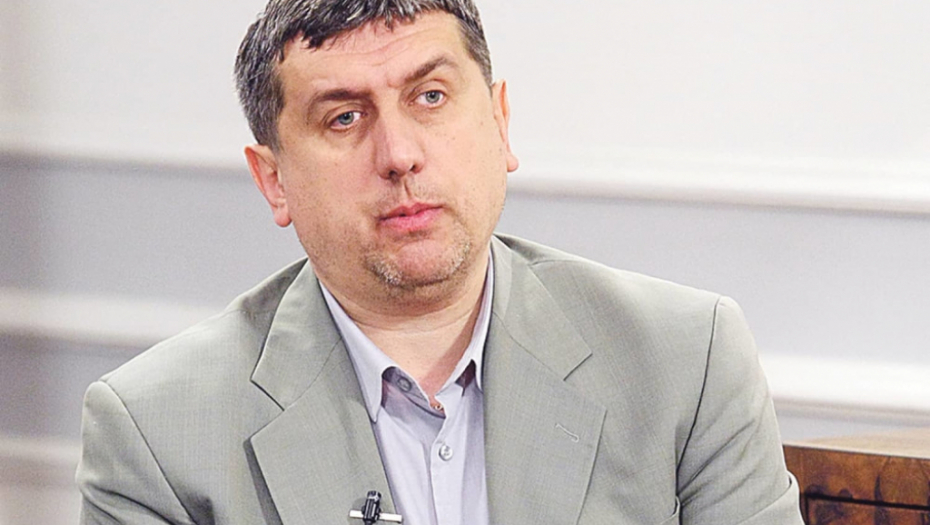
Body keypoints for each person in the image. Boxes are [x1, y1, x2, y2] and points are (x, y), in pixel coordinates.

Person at [76, 1, 804, 524]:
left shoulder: (686, 361)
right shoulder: (156, 433)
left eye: (430, 96)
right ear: (274, 181)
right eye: (344, 117)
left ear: (500, 124)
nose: (399, 154)